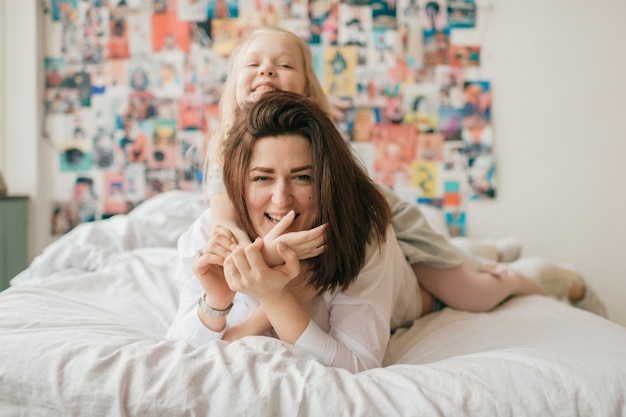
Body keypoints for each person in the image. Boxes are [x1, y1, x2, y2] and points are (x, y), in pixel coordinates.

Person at [199, 26, 605, 321]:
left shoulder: (318, 139)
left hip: (391, 222)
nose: (266, 71)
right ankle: (486, 250)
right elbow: (226, 230)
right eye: (253, 64)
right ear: (233, 84)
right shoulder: (223, 147)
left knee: (475, 294)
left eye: (283, 64)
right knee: (447, 274)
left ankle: (524, 277)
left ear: (307, 87)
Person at [168, 91, 546, 373]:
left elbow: (358, 364)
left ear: (327, 179)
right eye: (262, 178)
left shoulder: (362, 232)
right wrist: (215, 303)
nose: (281, 199)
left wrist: (276, 295)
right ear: (237, 181)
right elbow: (175, 355)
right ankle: (488, 252)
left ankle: (519, 276)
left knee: (466, 294)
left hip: (404, 288)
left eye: (303, 177)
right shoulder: (210, 235)